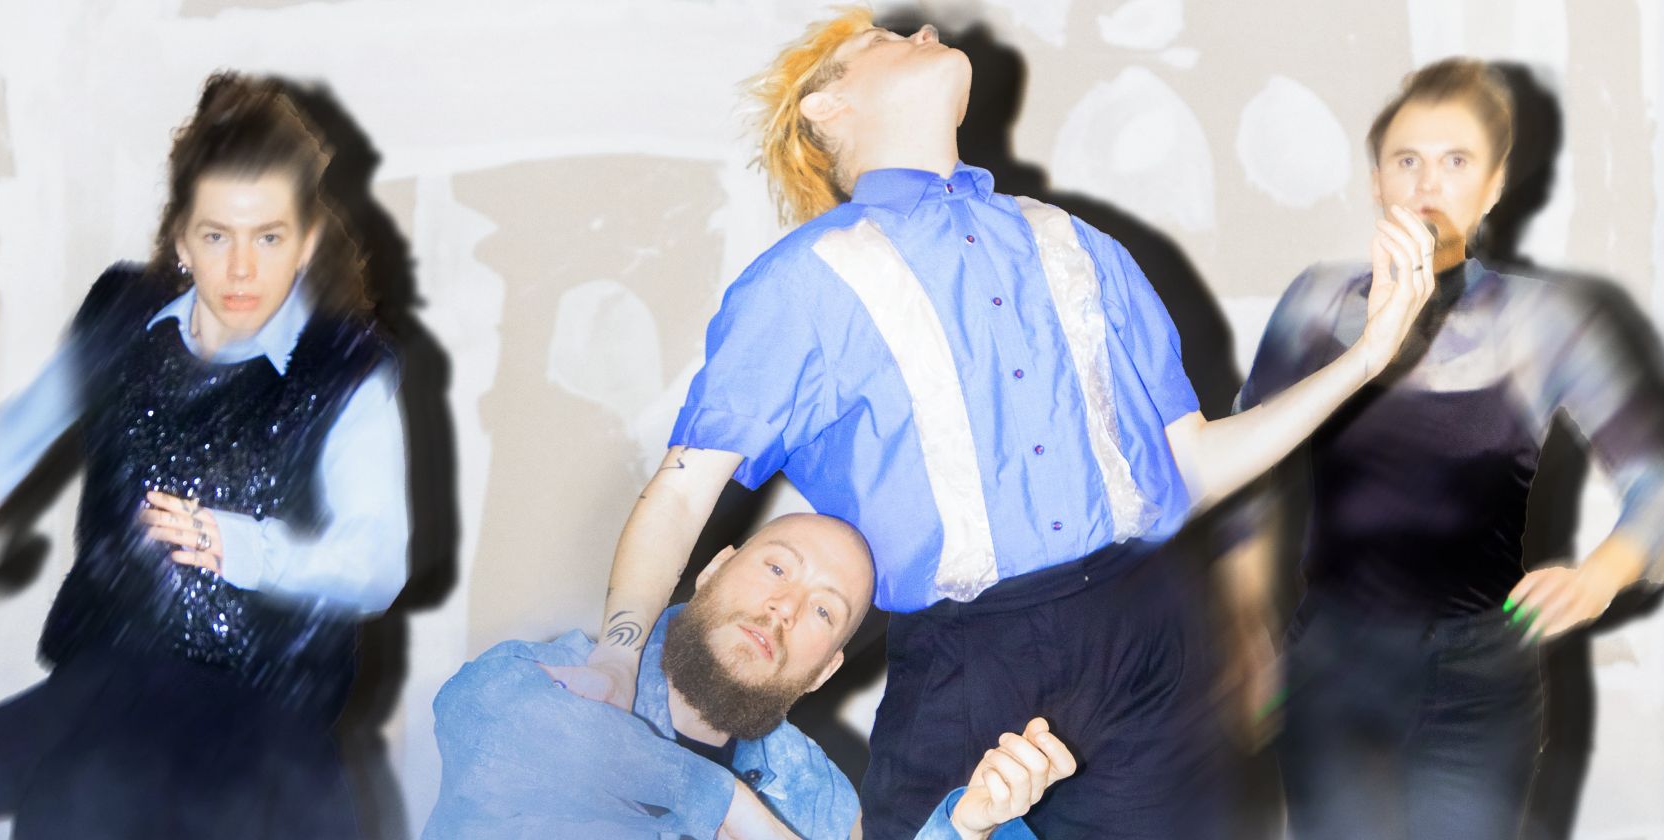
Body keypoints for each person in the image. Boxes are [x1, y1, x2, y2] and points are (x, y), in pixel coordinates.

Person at [579, 9, 1442, 838]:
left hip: (1150, 626)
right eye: (883, 37)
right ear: (826, 106)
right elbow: (682, 493)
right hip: (972, 654)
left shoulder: (1079, 244)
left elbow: (1191, 468)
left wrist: (1367, 357)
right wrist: (621, 652)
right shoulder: (806, 280)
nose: (922, 27)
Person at [1223, 58, 1664, 839]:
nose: (1427, 182)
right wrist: (1242, 621)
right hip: (1332, 667)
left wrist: (1603, 575)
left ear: (1494, 184)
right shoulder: (1315, 303)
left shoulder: (1547, 320)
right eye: (1407, 160)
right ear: (1377, 182)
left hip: (1481, 681)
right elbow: (1242, 472)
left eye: (1456, 161)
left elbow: (1657, 478)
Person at [0, 72, 409, 839]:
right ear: (183, 239)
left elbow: (377, 563)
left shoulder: (348, 370)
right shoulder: (122, 315)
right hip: (110, 696)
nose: (242, 269)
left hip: (260, 723)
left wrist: (240, 545)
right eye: (217, 236)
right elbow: (15, 436)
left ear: (307, 239)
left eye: (270, 237)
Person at [423, 513, 1073, 839]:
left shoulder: (817, 797)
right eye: (777, 568)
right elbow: (491, 722)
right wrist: (732, 807)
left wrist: (968, 826)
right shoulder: (548, 682)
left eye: (824, 609)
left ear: (823, 671)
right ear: (712, 572)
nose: (784, 608)